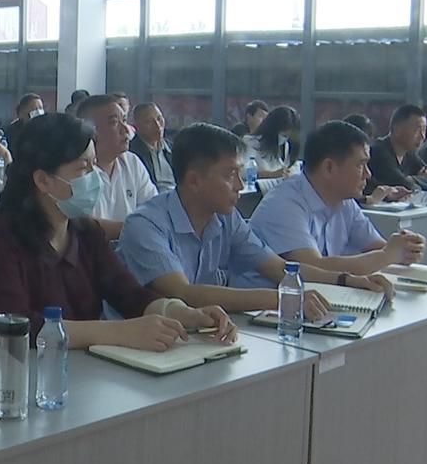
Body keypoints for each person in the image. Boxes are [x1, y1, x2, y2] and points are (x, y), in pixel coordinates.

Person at [0, 113, 236, 358]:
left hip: (76, 369)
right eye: (83, 168)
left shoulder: (86, 232)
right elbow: (18, 325)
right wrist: (119, 332)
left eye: (94, 164)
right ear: (43, 180)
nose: (94, 177)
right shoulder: (0, 237)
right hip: (7, 372)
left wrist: (183, 313)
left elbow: (130, 295)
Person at [120, 123, 392, 318]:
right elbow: (184, 294)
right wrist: (283, 299)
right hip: (136, 347)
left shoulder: (227, 219)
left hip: (200, 334)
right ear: (194, 181)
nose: (240, 186)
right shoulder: (145, 225)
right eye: (230, 175)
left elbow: (281, 269)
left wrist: (346, 280)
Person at [251, 121, 426, 275]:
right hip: (269, 300)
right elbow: (312, 269)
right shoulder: (284, 204)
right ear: (329, 168)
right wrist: (387, 256)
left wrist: (405, 249)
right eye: (360, 165)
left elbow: (379, 247)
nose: (368, 174)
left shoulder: (345, 201)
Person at [76, 94, 157, 236]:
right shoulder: (77, 169)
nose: (125, 129)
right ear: (90, 130)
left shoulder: (132, 162)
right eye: (113, 122)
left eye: (124, 120)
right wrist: (135, 230)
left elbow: (154, 211)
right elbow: (81, 224)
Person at [368, 105, 427, 192]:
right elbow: (405, 186)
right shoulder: (378, 151)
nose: (422, 136)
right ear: (397, 129)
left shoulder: (409, 154)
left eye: (424, 130)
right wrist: (421, 180)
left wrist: (412, 179)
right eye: (417, 130)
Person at [129, 103, 174, 192]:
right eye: (149, 122)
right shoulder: (132, 152)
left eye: (159, 119)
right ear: (137, 126)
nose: (157, 125)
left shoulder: (173, 148)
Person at [245, 105, 300, 178]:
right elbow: (242, 172)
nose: (285, 139)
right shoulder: (251, 142)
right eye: (284, 135)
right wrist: (271, 174)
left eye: (288, 136)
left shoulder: (286, 146)